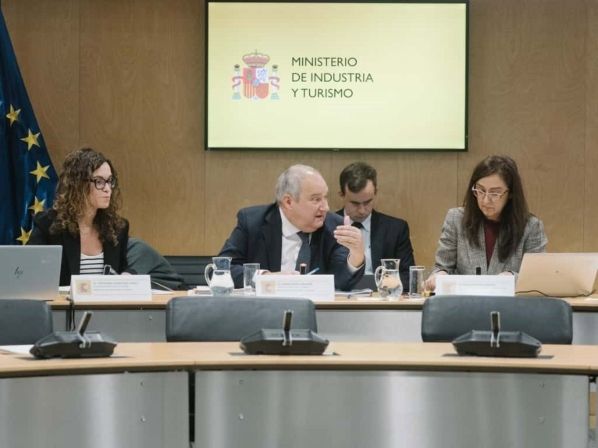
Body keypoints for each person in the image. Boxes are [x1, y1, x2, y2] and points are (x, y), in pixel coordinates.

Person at [218, 164, 365, 291]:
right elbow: (221, 270)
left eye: (325, 197)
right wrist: (266, 278)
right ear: (288, 202)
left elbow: (341, 281)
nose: (325, 207)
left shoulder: (334, 226)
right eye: (316, 199)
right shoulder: (253, 222)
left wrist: (356, 257)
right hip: (265, 309)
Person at [426, 155, 547, 290]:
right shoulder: (456, 219)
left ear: (511, 194)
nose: (485, 200)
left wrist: (512, 277)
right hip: (464, 301)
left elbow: (537, 278)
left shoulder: (531, 227)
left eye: (494, 193)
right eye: (481, 190)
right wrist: (439, 275)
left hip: (510, 302)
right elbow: (442, 267)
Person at [29, 147, 133, 286]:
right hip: (62, 300)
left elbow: (123, 268)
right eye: (99, 182)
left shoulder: (117, 228)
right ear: (79, 185)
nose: (108, 189)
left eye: (109, 181)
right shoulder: (48, 225)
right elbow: (30, 271)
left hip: (104, 300)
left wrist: (127, 275)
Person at [337, 162, 415, 288]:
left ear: (375, 193)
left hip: (382, 295)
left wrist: (384, 284)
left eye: (367, 202)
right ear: (341, 195)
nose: (362, 210)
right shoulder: (327, 227)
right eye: (355, 203)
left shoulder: (396, 229)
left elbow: (408, 277)